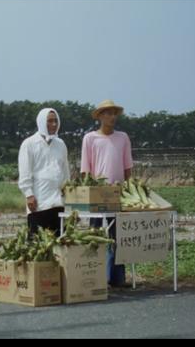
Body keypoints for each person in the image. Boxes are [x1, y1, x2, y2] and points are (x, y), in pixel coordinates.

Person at [80, 99, 133, 288]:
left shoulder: (123, 137)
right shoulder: (90, 138)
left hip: (117, 192)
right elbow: (86, 169)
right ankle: (92, 274)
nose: (112, 117)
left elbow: (127, 167)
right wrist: (88, 188)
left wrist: (129, 188)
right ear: (100, 116)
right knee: (94, 233)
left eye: (114, 113)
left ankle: (117, 278)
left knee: (117, 235)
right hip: (97, 192)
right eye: (108, 113)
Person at [18, 108, 70, 238]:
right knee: (38, 245)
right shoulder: (29, 144)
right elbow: (25, 172)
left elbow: (65, 171)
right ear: (41, 122)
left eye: (55, 121)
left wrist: (68, 191)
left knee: (59, 244)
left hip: (58, 203)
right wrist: (29, 195)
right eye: (50, 121)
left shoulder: (61, 144)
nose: (53, 124)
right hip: (39, 203)